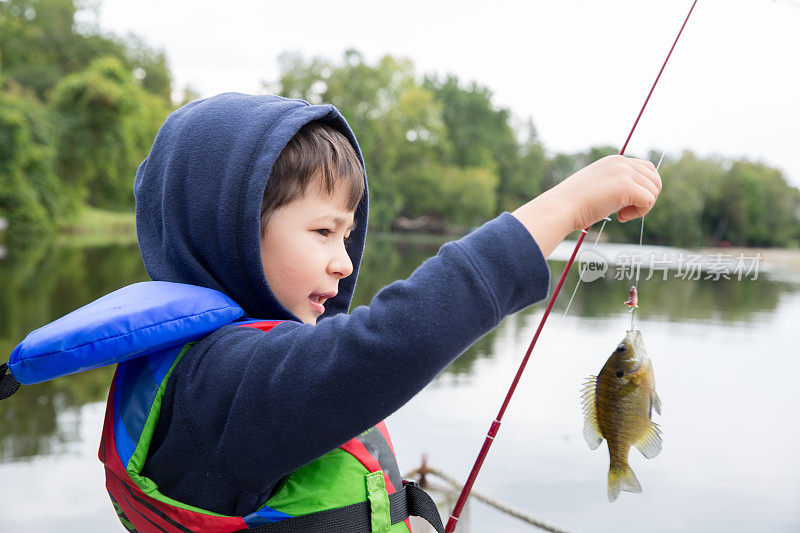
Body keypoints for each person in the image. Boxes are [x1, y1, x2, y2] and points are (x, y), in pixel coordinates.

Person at [13, 92, 661, 532]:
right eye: (324, 232)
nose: (346, 261)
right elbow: (390, 342)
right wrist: (566, 208)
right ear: (231, 231)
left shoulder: (213, 370)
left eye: (349, 235)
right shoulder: (222, 387)